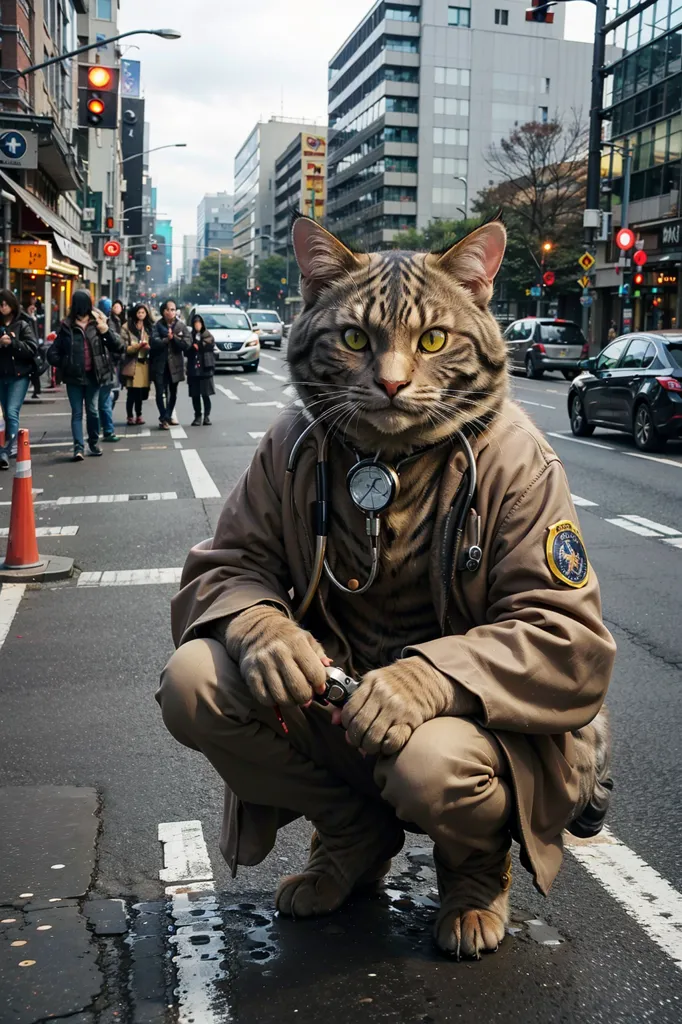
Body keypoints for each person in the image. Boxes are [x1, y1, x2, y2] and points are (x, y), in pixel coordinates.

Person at [157, 218, 615, 961]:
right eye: (357, 341)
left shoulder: (515, 459)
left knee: (428, 766)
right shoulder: (294, 444)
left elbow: (570, 642)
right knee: (193, 682)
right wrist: (260, 626)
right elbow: (224, 568)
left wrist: (429, 679)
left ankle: (473, 868)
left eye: (432, 341)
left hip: (466, 737)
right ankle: (352, 831)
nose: (395, 374)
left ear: (478, 300)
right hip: (340, 708)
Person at [48, 290, 123, 461]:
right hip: (73, 377)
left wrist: (105, 330)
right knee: (76, 413)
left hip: (94, 375)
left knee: (92, 411)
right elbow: (53, 353)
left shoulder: (98, 322)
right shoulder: (67, 326)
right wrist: (65, 363)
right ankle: (78, 447)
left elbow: (118, 345)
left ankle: (94, 443)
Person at [0, 289, 38, 470]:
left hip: (19, 375)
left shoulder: (22, 324)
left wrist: (12, 343)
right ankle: (7, 446)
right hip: (2, 374)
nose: (2, 307)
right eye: (0, 304)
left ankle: (6, 451)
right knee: (7, 414)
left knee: (12, 411)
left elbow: (31, 348)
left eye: (6, 303)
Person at [150, 298, 190, 429]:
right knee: (160, 391)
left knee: (173, 392)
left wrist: (175, 339)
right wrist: (166, 340)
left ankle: (167, 416)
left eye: (173, 309)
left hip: (175, 364)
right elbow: (153, 342)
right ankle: (163, 417)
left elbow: (187, 344)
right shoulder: (156, 326)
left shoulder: (180, 326)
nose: (170, 312)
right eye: (168, 309)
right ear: (163, 311)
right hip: (159, 364)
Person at [120, 303, 152, 425]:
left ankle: (139, 414)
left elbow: (154, 342)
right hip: (131, 363)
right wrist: (137, 346)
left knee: (141, 392)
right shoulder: (126, 327)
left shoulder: (148, 327)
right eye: (139, 312)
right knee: (131, 392)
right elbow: (123, 346)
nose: (141, 315)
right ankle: (130, 416)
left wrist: (149, 347)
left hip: (144, 363)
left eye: (143, 313)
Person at [187, 314, 215, 426]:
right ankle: (197, 415)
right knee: (195, 394)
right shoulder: (190, 336)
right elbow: (186, 349)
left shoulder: (208, 335)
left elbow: (209, 344)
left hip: (205, 368)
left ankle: (207, 416)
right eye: (195, 323)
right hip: (193, 368)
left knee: (205, 394)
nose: (197, 325)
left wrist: (199, 345)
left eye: (199, 323)